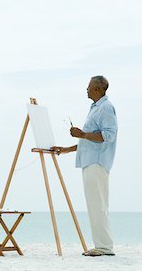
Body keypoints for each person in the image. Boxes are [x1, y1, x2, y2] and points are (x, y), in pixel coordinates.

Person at [51, 75, 117, 257]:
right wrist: (65, 149)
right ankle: (103, 245)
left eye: (88, 87)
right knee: (96, 204)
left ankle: (104, 247)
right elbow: (88, 140)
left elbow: (107, 136)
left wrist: (82, 134)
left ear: (97, 88)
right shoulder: (95, 108)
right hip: (90, 161)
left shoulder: (105, 108)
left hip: (97, 162)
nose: (86, 90)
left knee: (98, 205)